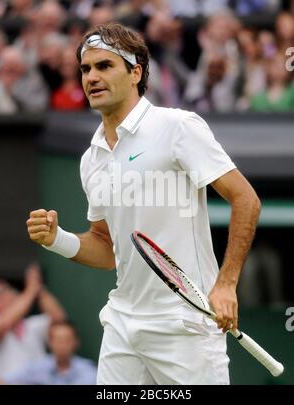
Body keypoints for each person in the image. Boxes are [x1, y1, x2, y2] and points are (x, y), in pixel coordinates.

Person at [26, 22, 261, 385]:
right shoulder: (92, 158)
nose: (92, 77)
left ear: (135, 73)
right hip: (123, 321)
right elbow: (107, 249)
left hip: (184, 325)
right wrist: (57, 239)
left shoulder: (178, 126)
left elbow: (245, 199)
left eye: (105, 66)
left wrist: (226, 284)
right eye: (86, 69)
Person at [0, 263, 66, 379]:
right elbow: (3, 325)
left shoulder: (32, 324)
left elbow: (59, 319)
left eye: (3, 291)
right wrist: (31, 290)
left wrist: (38, 287)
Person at [0, 321, 97, 385]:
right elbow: (4, 381)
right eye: (58, 340)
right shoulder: (36, 367)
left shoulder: (89, 371)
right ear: (50, 342)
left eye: (67, 340)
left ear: (76, 342)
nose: (62, 345)